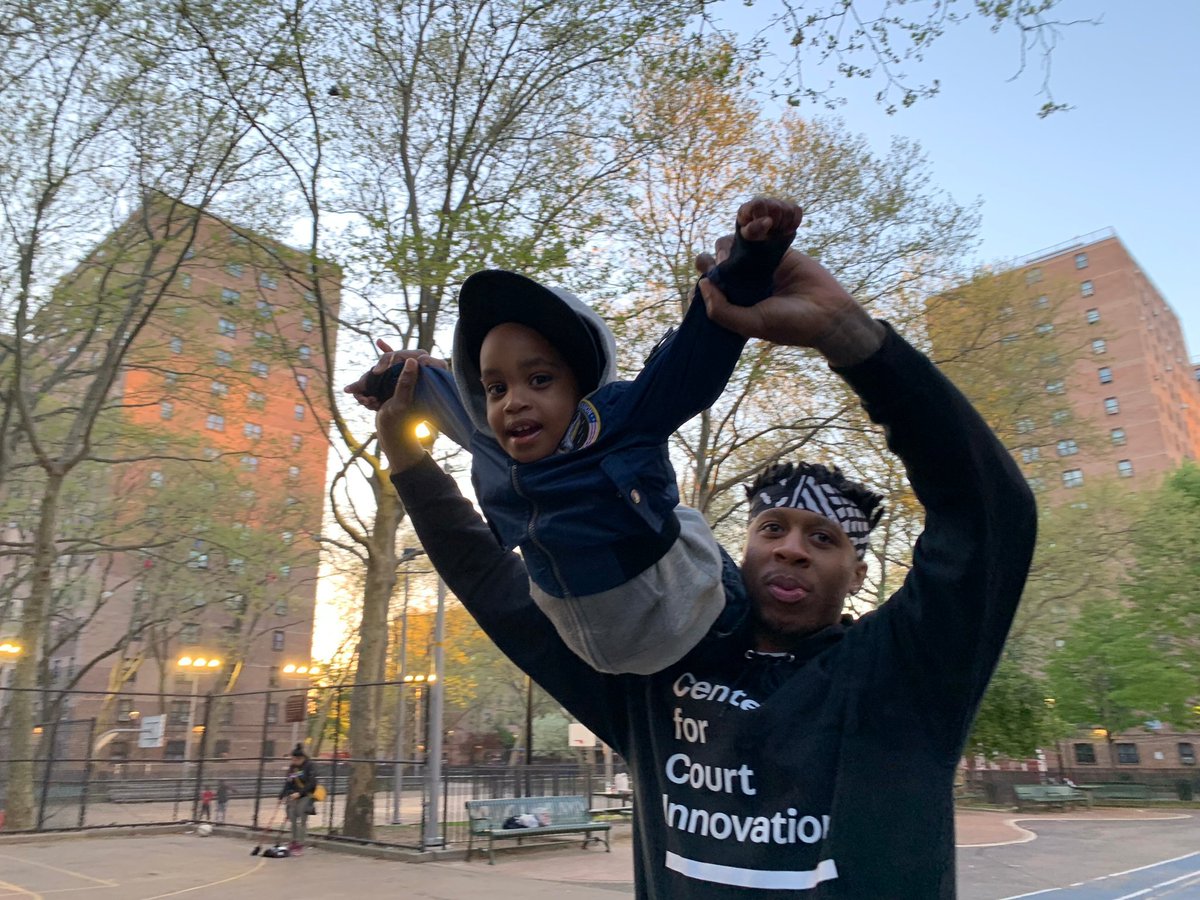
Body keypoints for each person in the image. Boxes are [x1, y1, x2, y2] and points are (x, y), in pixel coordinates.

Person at [376, 236, 1037, 897]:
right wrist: (408, 464)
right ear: (739, 549)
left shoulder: (907, 670)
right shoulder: (653, 666)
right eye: (772, 529)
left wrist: (848, 335)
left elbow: (989, 515)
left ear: (859, 574)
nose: (791, 549)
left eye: (823, 539)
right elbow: (500, 589)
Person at [346, 198, 801, 675]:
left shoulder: (623, 421)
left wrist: (748, 266)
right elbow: (433, 389)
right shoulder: (493, 440)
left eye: (539, 379)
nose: (514, 401)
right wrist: (384, 380)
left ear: (581, 389)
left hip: (698, 610)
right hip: (597, 646)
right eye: (496, 388)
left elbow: (692, 364)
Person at [279, 744, 318, 856]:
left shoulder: (309, 766)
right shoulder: (293, 768)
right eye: (292, 759)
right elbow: (288, 782)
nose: (293, 761)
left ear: (301, 758)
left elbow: (312, 783)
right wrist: (282, 795)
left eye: (295, 760)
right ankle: (293, 841)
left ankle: (300, 844)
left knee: (302, 819)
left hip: (305, 795)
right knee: (292, 818)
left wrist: (300, 793)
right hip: (293, 796)